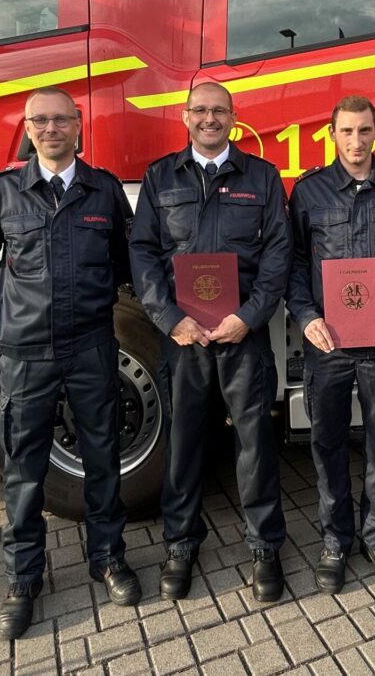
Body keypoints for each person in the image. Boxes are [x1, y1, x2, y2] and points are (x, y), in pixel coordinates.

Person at [0, 86, 140, 640]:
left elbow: (123, 263)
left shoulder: (103, 190)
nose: (51, 129)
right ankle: (23, 578)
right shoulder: (3, 192)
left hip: (91, 346)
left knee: (103, 456)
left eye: (61, 119)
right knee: (24, 469)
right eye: (40, 120)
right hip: (27, 354)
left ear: (78, 124)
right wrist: (12, 306)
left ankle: (108, 558)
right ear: (27, 128)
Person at [129, 82, 290, 603]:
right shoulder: (160, 177)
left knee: (255, 444)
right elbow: (143, 254)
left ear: (233, 118)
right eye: (199, 110)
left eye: (219, 111)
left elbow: (278, 254)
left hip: (243, 337)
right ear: (185, 117)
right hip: (185, 339)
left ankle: (265, 547)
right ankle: (180, 544)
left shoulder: (262, 177)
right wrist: (170, 319)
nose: (209, 119)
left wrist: (250, 316)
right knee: (183, 443)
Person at [286, 96, 375, 595]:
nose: (355, 140)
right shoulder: (308, 192)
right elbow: (293, 263)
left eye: (364, 130)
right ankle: (335, 541)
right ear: (332, 135)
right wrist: (306, 316)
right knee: (327, 445)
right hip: (327, 345)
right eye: (346, 131)